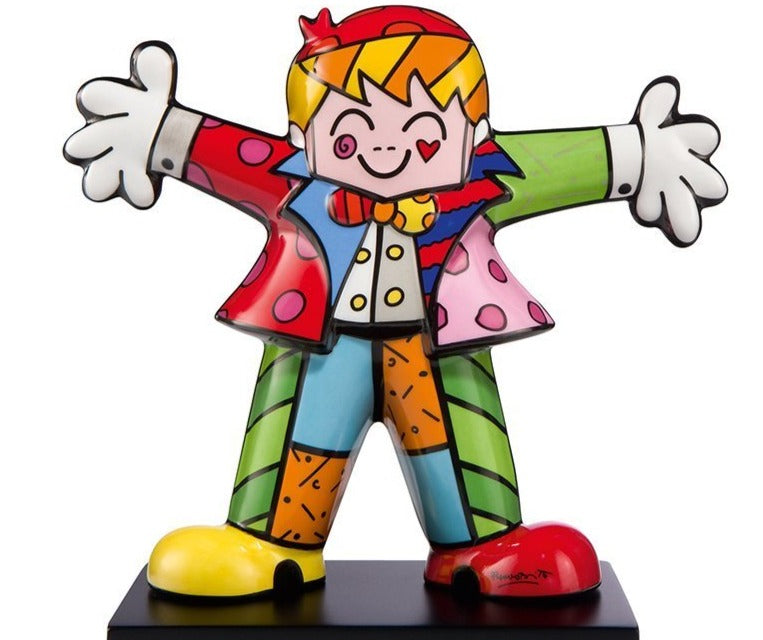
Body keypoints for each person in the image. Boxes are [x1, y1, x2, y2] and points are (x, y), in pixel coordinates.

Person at [64, 6, 726, 598]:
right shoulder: (292, 181)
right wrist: (155, 130)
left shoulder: (488, 178)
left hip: (437, 347)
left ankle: (483, 545)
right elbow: (227, 151)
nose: (386, 149)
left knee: (455, 448)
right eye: (349, 135)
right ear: (302, 134)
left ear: (473, 132)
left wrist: (643, 153)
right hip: (322, 344)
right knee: (301, 441)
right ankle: (269, 545)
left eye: (423, 132)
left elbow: (566, 159)